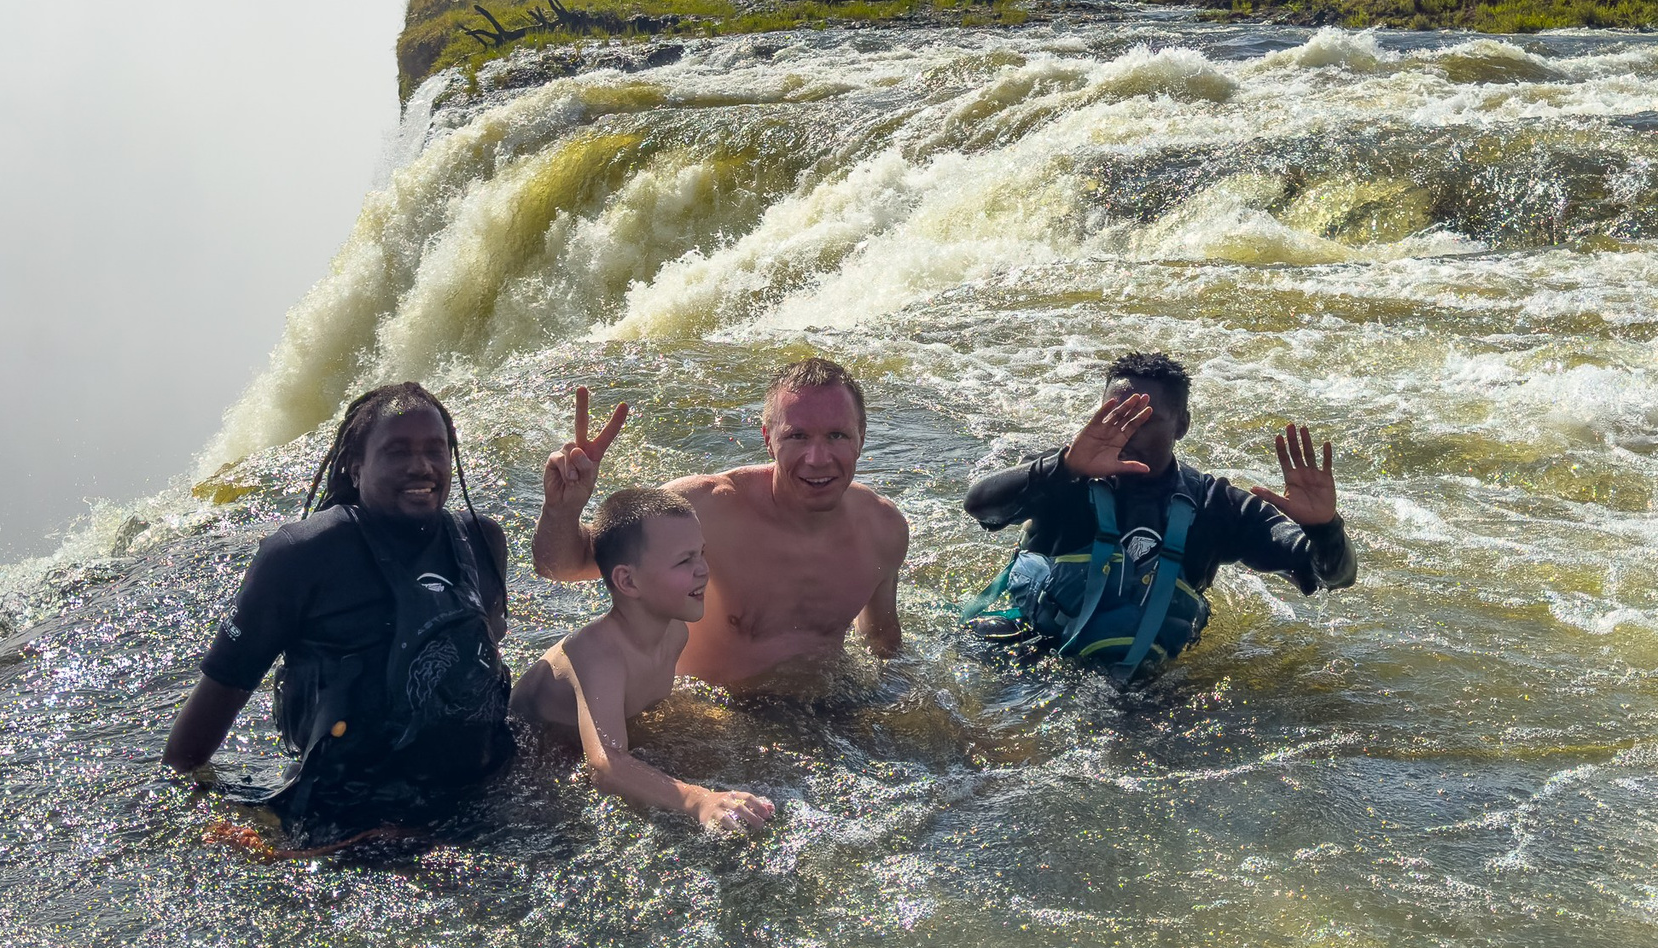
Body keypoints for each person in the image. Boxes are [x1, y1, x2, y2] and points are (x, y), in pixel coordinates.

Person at [163, 382, 514, 835]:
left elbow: (477, 678)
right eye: (397, 451)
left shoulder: (481, 541)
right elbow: (186, 752)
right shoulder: (301, 556)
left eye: (436, 449)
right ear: (354, 465)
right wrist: (223, 829)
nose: (422, 466)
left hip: (476, 809)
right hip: (346, 830)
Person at [960, 350, 1356, 675]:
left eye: (1143, 419)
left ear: (1181, 425)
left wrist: (1324, 528)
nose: (1125, 431)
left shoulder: (1215, 504)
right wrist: (1064, 467)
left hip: (1144, 683)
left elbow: (1333, 576)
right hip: (1032, 652)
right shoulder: (1065, 473)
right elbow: (980, 505)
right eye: (1116, 414)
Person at [532, 358, 908, 688]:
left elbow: (883, 645)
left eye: (837, 435)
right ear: (768, 440)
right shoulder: (702, 511)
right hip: (714, 720)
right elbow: (562, 567)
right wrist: (563, 508)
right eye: (797, 436)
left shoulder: (882, 529)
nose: (817, 458)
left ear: (861, 439)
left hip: (821, 717)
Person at [512, 486, 777, 832]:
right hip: (528, 758)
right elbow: (605, 766)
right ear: (627, 580)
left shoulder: (675, 632)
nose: (703, 570)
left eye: (701, 554)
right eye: (685, 560)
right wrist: (700, 800)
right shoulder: (600, 655)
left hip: (586, 739)